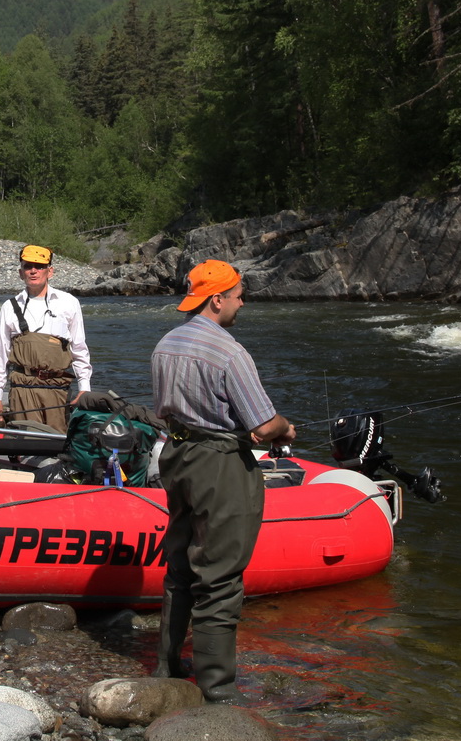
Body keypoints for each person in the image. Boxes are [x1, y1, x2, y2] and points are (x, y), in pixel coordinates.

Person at [150, 259, 296, 704]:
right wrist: (286, 429)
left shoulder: (165, 345)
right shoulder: (230, 352)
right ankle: (218, 692)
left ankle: (168, 668)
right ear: (217, 299)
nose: (241, 302)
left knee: (179, 568)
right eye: (237, 295)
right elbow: (263, 423)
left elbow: (163, 410)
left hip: (177, 457)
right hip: (220, 464)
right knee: (219, 578)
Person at [0, 244, 91, 431]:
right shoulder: (9, 307)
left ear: (50, 271)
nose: (33, 271)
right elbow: (1, 354)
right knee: (26, 442)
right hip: (22, 389)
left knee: (59, 443)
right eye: (28, 266)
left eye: (39, 266)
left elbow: (79, 349)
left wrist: (85, 387)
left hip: (57, 389)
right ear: (21, 272)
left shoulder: (69, 303)